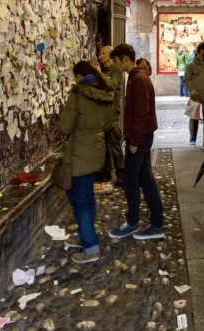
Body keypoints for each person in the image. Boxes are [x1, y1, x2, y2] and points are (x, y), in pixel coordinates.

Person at [58, 60, 117, 264]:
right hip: (97, 153)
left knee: (79, 201)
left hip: (79, 155)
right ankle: (87, 237)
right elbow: (110, 124)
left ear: (78, 77)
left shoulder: (78, 94)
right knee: (87, 196)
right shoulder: (107, 92)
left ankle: (91, 248)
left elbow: (65, 127)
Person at [107, 43, 165, 241]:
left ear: (124, 59)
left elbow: (141, 112)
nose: (114, 65)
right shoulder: (137, 77)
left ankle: (133, 222)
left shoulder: (138, 80)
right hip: (142, 137)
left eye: (115, 61)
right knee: (146, 179)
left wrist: (135, 140)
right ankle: (157, 222)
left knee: (131, 182)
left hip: (139, 139)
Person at [95, 45, 125, 194]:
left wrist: (99, 75)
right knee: (103, 148)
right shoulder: (101, 72)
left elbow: (112, 85)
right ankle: (105, 174)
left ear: (110, 55)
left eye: (103, 53)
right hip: (100, 115)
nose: (100, 56)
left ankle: (121, 174)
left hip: (112, 115)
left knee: (115, 147)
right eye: (99, 54)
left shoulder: (116, 71)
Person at [183, 42, 204, 145]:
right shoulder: (190, 65)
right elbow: (186, 79)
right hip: (196, 95)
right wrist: (192, 90)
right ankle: (192, 137)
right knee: (194, 117)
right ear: (201, 51)